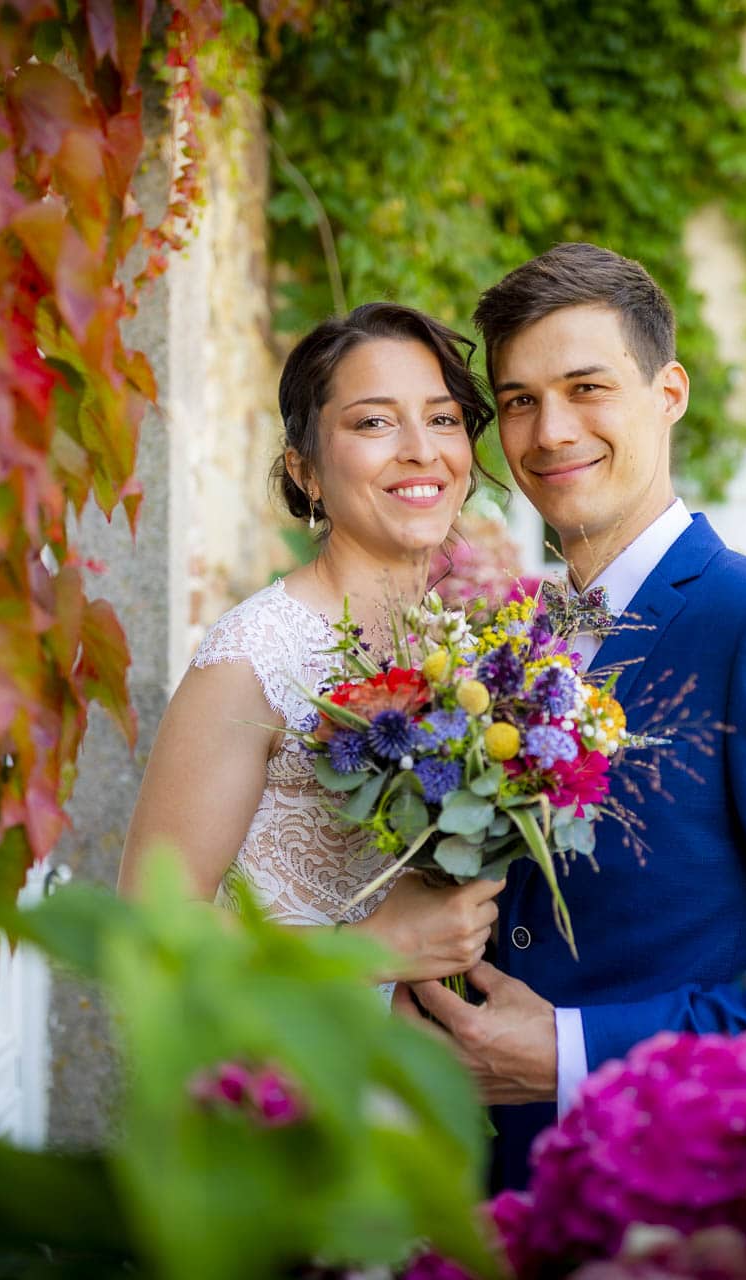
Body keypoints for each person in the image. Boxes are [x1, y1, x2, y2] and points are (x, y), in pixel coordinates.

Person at [390, 244, 746, 1191]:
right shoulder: (512, 644)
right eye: (518, 400)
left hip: (677, 1201)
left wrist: (569, 1051)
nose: (551, 430)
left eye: (587, 387)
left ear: (669, 391)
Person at [118, 303, 505, 988]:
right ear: (307, 472)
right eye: (374, 422)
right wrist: (366, 950)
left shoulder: (454, 648)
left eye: (443, 418)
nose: (422, 448)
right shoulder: (254, 657)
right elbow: (151, 928)